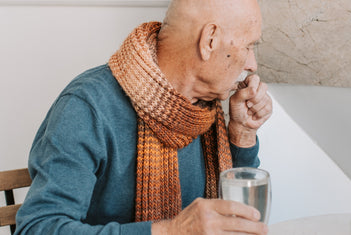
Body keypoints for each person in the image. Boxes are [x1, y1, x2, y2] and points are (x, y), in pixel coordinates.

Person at [15, 0, 272, 234]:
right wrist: (171, 231)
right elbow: (38, 227)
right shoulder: (87, 107)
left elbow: (237, 218)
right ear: (210, 41)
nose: (252, 64)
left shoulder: (206, 112)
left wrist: (243, 132)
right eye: (248, 46)